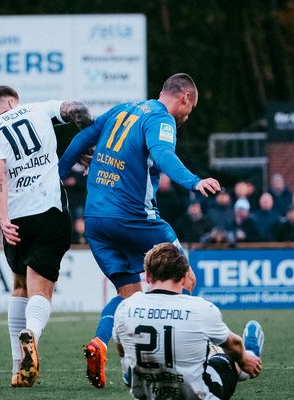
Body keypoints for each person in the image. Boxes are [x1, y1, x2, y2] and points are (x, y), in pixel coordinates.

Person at [58, 73, 220, 388]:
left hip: (96, 221)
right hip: (135, 219)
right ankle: (181, 352)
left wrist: (59, 175)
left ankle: (100, 344)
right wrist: (194, 181)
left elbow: (82, 138)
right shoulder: (161, 120)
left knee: (129, 296)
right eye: (190, 109)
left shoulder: (122, 109)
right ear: (184, 97)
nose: (187, 116)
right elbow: (164, 155)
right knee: (186, 278)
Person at [0, 85, 93, 388]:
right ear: (13, 101)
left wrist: (1, 218)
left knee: (19, 285)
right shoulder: (39, 109)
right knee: (41, 291)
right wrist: (90, 148)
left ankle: (17, 367)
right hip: (49, 212)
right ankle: (32, 334)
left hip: (15, 221)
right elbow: (77, 108)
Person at [113, 243, 264, 400]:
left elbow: (122, 350)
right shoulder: (201, 308)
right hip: (195, 395)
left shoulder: (126, 307)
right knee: (223, 355)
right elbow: (235, 344)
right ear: (184, 278)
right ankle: (251, 355)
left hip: (147, 390)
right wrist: (244, 359)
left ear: (148, 276)